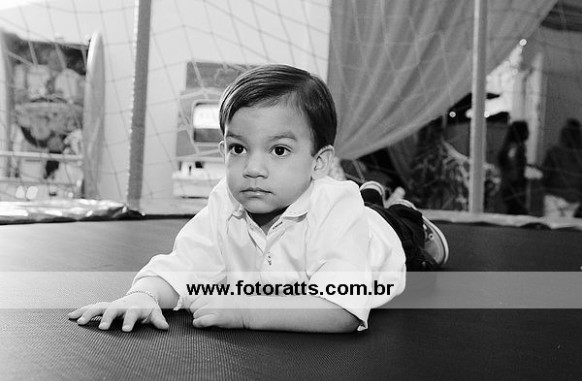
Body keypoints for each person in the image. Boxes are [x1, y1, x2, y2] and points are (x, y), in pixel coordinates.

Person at [68, 64, 449, 333]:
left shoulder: (334, 206)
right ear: (223, 150)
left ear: (319, 162)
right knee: (363, 203)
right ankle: (370, 195)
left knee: (390, 224)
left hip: (384, 239)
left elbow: (342, 311)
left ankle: (403, 215)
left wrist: (248, 311)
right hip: (345, 208)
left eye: (279, 151)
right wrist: (144, 295)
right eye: (238, 148)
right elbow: (182, 267)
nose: (253, 169)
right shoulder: (227, 201)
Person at [541, 118, 582, 218]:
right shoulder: (579, 155)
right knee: (569, 227)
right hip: (574, 199)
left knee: (552, 226)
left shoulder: (554, 152)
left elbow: (545, 175)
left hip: (554, 197)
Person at [497, 121, 529, 215]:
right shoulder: (515, 147)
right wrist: (518, 184)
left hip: (511, 186)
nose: (528, 133)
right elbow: (512, 165)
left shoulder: (513, 146)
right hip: (512, 187)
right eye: (526, 131)